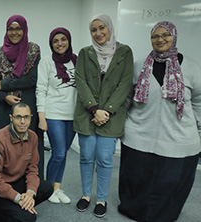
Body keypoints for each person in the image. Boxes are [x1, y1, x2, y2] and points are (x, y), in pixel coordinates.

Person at [118, 21, 201, 222]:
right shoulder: (139, 66)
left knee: (170, 182)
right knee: (136, 178)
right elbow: (128, 98)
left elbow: (199, 102)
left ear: (174, 36)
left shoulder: (191, 67)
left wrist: (197, 129)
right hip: (139, 134)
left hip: (178, 138)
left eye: (165, 35)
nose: (160, 39)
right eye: (155, 36)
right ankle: (133, 211)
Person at [73, 14, 133, 218]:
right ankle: (86, 195)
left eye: (101, 28)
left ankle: (101, 199)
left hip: (111, 115)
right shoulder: (84, 52)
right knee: (86, 157)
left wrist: (106, 110)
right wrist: (93, 108)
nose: (98, 33)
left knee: (105, 159)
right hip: (86, 114)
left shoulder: (124, 52)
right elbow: (80, 82)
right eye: (93, 30)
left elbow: (125, 84)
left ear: (109, 28)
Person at [0, 15, 45, 179]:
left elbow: (31, 79)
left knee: (29, 145)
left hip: (26, 105)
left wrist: (3, 84)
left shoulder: (33, 50)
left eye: (18, 28)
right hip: (3, 106)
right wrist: (4, 97)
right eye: (10, 29)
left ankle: (31, 184)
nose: (14, 32)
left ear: (24, 30)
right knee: (1, 143)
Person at [0, 102, 53, 222]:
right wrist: (18, 198)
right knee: (29, 218)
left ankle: (13, 209)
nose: (23, 121)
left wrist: (29, 194)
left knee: (47, 188)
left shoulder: (33, 137)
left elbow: (33, 169)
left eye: (26, 117)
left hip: (14, 182)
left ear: (31, 118)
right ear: (11, 118)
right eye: (18, 117)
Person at [36, 27, 77, 204]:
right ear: (51, 44)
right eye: (55, 41)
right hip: (53, 114)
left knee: (64, 153)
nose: (60, 43)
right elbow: (41, 89)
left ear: (68, 41)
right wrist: (41, 116)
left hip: (73, 115)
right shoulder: (46, 62)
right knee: (58, 153)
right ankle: (48, 188)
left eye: (63, 39)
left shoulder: (77, 60)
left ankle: (57, 188)